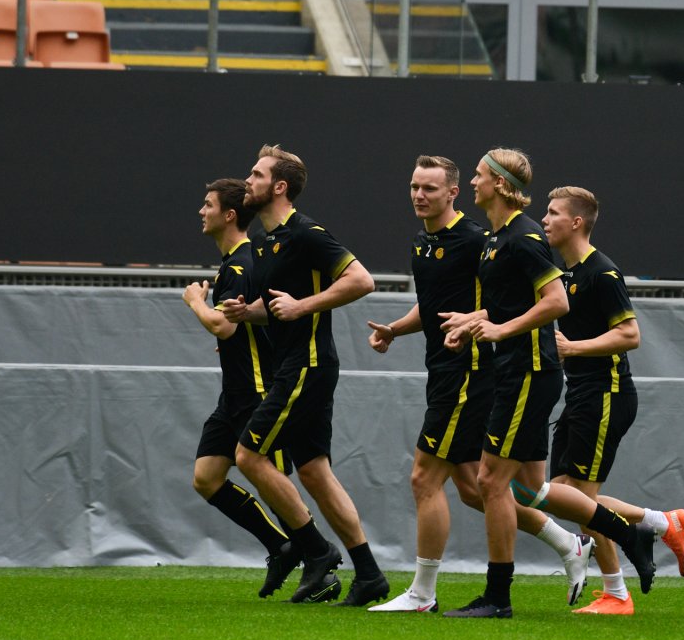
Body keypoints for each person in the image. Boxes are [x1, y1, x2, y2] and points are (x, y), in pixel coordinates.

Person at [437, 149, 684, 619]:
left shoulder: (525, 237)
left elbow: (556, 303)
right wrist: (472, 320)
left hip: (532, 374)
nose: (471, 182)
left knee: (490, 481)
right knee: (533, 490)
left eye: (477, 175)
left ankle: (499, 597)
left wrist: (500, 331)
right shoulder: (498, 238)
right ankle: (633, 531)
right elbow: (515, 304)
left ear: (498, 181)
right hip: (533, 373)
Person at [364, 156, 595, 614]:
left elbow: (511, 301)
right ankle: (569, 543)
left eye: (430, 188)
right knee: (475, 489)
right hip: (444, 369)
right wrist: (394, 328)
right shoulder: (422, 242)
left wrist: (496, 331)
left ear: (452, 194)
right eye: (414, 186)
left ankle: (422, 594)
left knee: (424, 476)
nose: (418, 195)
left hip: (470, 374)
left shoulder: (478, 240)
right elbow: (432, 308)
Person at [221, 145, 388, 607]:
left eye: (255, 175)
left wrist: (302, 306)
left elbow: (362, 280)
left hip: (308, 365)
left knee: (249, 455)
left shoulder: (307, 232)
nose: (247, 182)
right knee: (314, 472)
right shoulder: (264, 241)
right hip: (293, 365)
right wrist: (247, 311)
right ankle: (370, 575)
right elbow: (273, 309)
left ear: (279, 187)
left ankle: (316, 551)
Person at [542, 186, 684, 615]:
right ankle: (660, 522)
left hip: (607, 393)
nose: (544, 220)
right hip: (582, 394)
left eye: (552, 213)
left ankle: (618, 594)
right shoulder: (563, 274)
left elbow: (630, 335)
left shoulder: (602, 273)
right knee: (560, 493)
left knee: (581, 501)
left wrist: (573, 348)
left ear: (576, 222)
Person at [181, 178, 300, 598]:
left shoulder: (239, 265)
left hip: (256, 390)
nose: (201, 211)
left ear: (229, 215)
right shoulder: (237, 261)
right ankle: (282, 547)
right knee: (206, 477)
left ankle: (319, 562)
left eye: (207, 204)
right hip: (233, 393)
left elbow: (224, 324)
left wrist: (196, 300)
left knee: (274, 480)